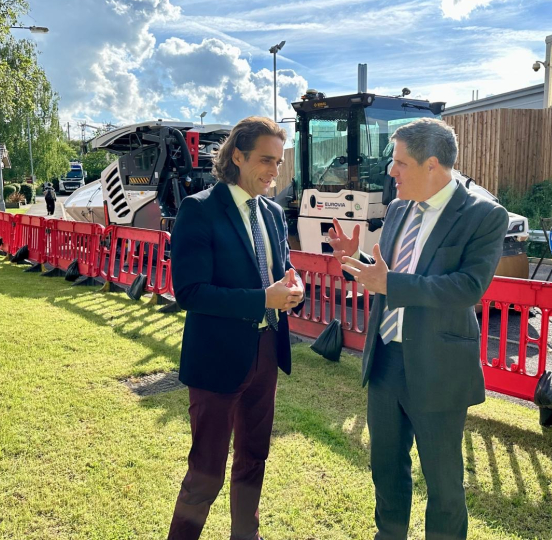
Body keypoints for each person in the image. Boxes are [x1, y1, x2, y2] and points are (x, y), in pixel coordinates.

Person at [328, 118, 509, 540]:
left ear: (432, 166)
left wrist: (390, 283)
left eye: (399, 163)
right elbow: (386, 275)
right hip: (387, 359)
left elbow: (467, 288)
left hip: (439, 368)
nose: (391, 171)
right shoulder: (395, 210)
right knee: (386, 469)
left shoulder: (484, 215)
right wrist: (353, 260)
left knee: (444, 484)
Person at [168, 116, 304, 540]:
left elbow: (280, 270)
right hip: (216, 359)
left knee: (253, 458)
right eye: (266, 160)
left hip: (266, 353)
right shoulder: (200, 209)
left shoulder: (275, 213)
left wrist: (293, 285)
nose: (273, 171)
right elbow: (190, 292)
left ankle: (246, 534)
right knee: (206, 471)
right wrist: (263, 298)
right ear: (238, 156)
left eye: (279, 163)